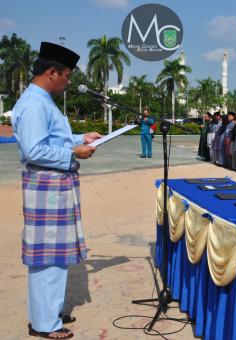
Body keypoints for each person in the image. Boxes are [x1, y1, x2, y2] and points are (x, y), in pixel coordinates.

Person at [11, 41, 102, 339]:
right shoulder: (34, 103)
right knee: (47, 256)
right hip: (47, 185)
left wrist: (79, 137)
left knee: (57, 254)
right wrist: (74, 153)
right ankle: (44, 324)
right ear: (52, 72)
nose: (69, 81)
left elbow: (52, 137)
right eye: (68, 75)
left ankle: (49, 313)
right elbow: (35, 149)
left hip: (55, 185)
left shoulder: (43, 101)